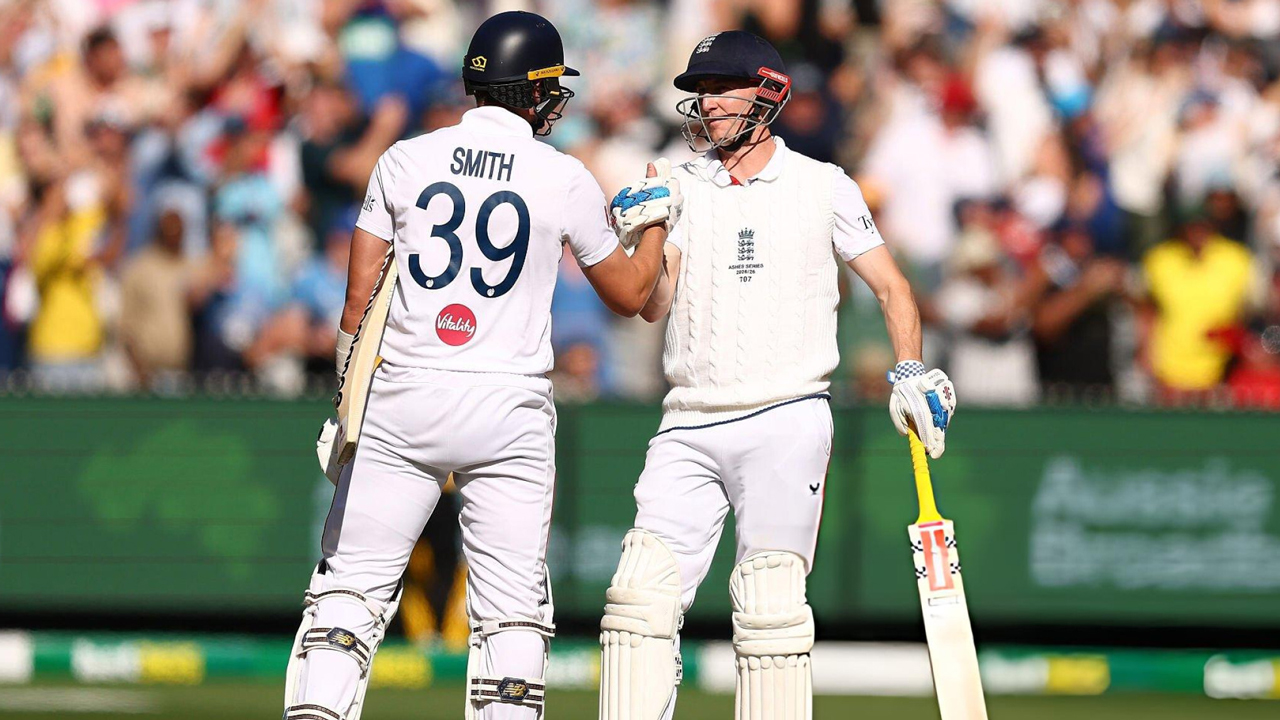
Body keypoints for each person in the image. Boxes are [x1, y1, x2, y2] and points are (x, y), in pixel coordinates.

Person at [282, 12, 677, 720]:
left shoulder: (405, 158)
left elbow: (358, 297)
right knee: (512, 610)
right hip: (507, 407)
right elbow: (631, 296)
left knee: (351, 589)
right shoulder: (562, 175)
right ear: (533, 90)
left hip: (406, 390)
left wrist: (346, 403)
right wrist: (653, 226)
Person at [597, 31, 957, 720]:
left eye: (720, 88)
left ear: (768, 94)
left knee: (769, 607)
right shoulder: (678, 182)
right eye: (699, 91)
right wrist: (645, 232)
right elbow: (653, 306)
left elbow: (892, 288)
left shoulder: (823, 184)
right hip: (689, 419)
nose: (705, 103)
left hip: (785, 416)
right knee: (638, 599)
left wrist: (911, 370)